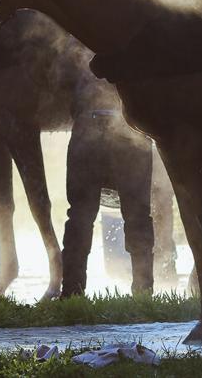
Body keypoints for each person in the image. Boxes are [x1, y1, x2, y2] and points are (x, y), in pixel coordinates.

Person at [61, 67, 154, 297]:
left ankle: (72, 292)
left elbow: (67, 89)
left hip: (93, 129)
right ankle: (143, 292)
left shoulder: (81, 43)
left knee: (80, 217)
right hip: (130, 133)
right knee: (138, 216)